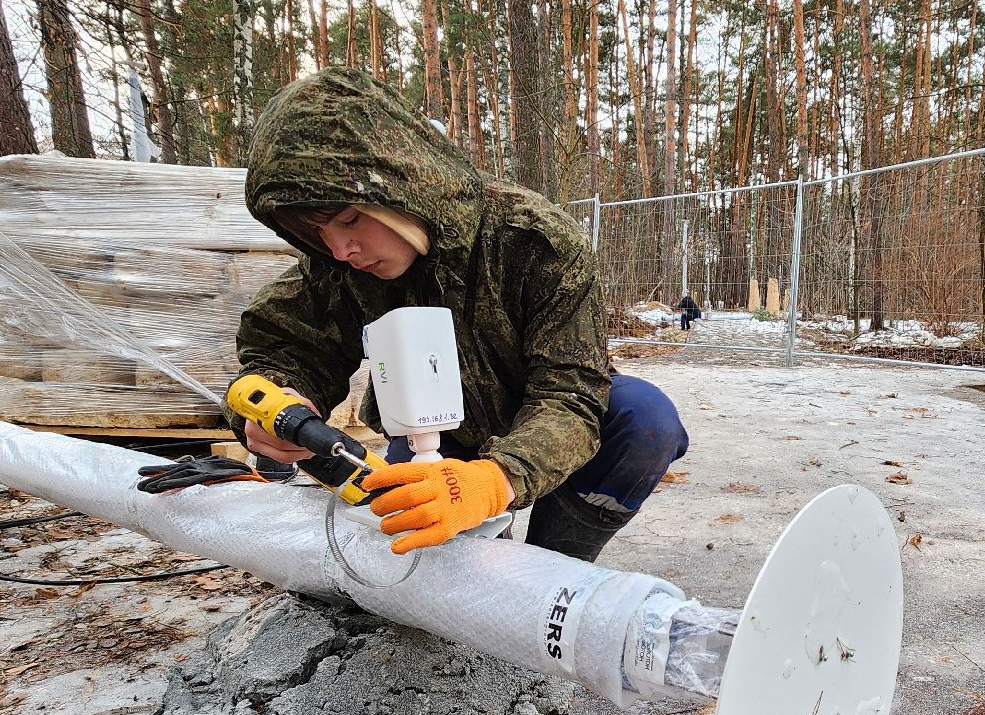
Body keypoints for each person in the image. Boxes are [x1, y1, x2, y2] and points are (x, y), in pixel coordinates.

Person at [224, 67, 688, 562]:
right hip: (429, 439)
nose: (341, 249)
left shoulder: (534, 241)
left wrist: (495, 480)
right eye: (319, 233)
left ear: (398, 184)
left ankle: (556, 566)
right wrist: (274, 402)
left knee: (645, 419)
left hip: (545, 426)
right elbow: (282, 348)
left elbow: (572, 393)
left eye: (348, 218)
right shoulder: (333, 268)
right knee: (429, 572)